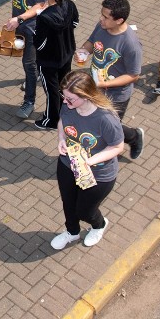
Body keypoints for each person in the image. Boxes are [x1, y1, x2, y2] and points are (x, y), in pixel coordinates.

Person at [50, 70, 124, 251]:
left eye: (70, 99)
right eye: (63, 97)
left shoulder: (105, 119)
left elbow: (117, 147)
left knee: (84, 210)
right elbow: (62, 122)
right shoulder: (69, 106)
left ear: (86, 96)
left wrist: (89, 161)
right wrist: (61, 139)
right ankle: (72, 232)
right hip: (68, 164)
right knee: (68, 202)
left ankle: (99, 225)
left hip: (98, 174)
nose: (65, 102)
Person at [76, 0, 145, 159]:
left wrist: (107, 83)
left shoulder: (131, 44)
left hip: (116, 95)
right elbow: (91, 42)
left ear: (119, 20)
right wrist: (83, 51)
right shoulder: (102, 27)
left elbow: (134, 75)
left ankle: (134, 138)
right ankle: (130, 137)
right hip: (95, 87)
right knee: (98, 122)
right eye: (102, 14)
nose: (101, 19)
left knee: (107, 127)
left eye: (106, 17)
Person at [34, 0, 79, 131]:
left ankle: (51, 120)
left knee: (52, 91)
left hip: (49, 62)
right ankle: (66, 110)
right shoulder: (70, 5)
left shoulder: (44, 17)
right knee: (64, 85)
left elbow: (39, 44)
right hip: (67, 55)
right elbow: (74, 24)